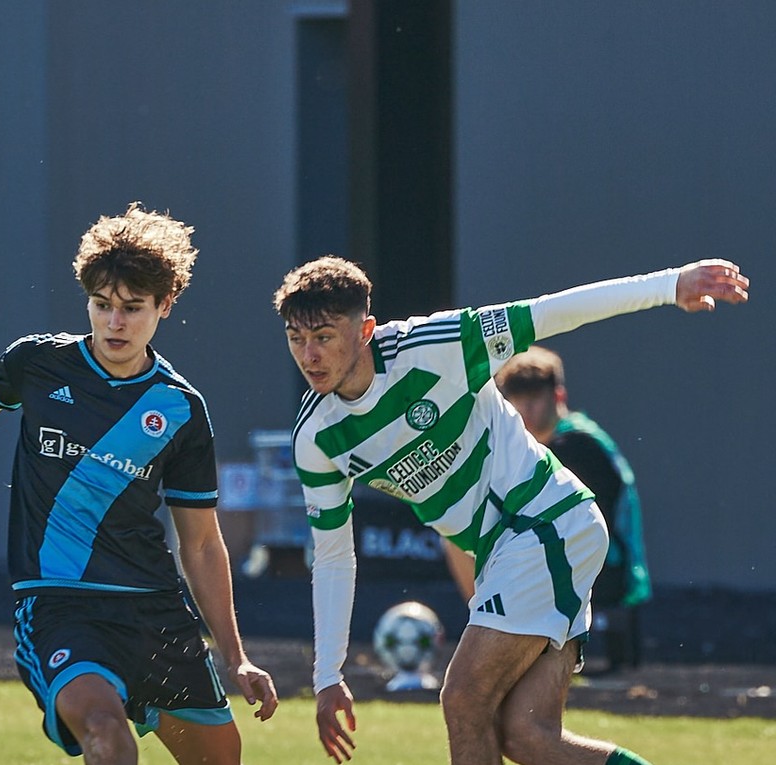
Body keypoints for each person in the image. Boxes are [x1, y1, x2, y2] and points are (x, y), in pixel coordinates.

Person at [273, 255, 747, 765]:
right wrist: (328, 675)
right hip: (517, 547)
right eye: (296, 339)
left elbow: (547, 313)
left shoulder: (437, 345)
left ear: (365, 329)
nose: (309, 355)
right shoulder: (316, 439)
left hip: (547, 521)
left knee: (463, 698)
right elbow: (333, 556)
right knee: (526, 736)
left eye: (323, 336)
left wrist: (668, 285)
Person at [0, 202, 278, 764]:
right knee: (107, 735)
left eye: (132, 309)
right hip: (62, 606)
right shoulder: (40, 363)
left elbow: (202, 543)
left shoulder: (180, 408)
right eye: (102, 305)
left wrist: (236, 656)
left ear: (165, 305)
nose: (115, 322)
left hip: (155, 609)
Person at [444, 345, 651, 672]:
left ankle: (495, 634)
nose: (525, 409)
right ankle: (490, 626)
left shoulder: (576, 444)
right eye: (516, 399)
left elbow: (579, 527)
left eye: (534, 398)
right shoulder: (540, 447)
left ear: (558, 396)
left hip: (602, 570)